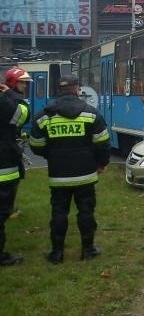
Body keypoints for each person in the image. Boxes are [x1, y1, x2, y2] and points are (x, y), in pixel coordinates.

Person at [29, 74, 111, 264]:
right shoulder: (91, 113)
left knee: (58, 212)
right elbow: (103, 144)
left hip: (58, 175)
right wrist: (101, 164)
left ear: (60, 90)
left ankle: (57, 253)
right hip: (86, 175)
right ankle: (88, 250)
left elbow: (35, 144)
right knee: (86, 212)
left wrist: (52, 155)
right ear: (77, 89)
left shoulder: (44, 116)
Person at [0, 67, 32, 266]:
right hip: (4, 166)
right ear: (13, 83)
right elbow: (20, 116)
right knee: (2, 212)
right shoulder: (11, 101)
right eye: (22, 83)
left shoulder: (9, 99)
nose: (25, 86)